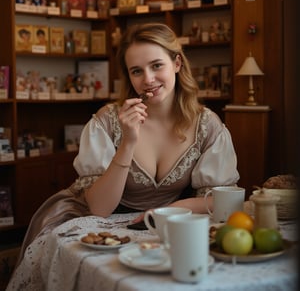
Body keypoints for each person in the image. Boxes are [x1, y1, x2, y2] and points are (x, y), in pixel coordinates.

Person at [15, 22, 239, 266]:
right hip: (99, 219)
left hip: (161, 224)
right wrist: (128, 142)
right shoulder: (106, 121)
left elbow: (219, 198)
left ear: (176, 63)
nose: (148, 79)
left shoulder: (207, 125)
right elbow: (99, 208)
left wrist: (171, 209)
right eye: (136, 71)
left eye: (156, 65)